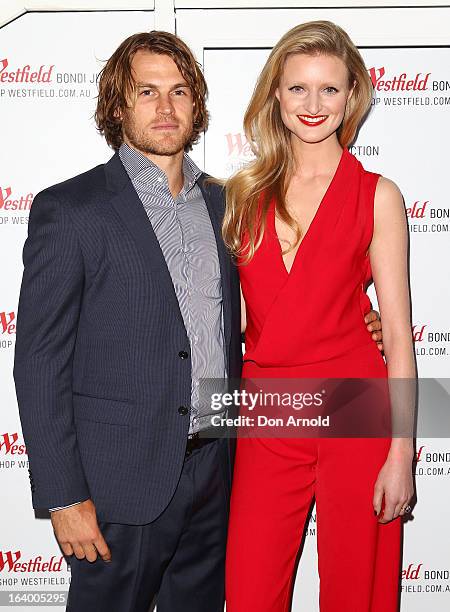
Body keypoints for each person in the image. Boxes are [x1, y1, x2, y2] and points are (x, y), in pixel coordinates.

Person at [13, 29, 383, 612]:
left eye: (180, 92)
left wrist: (358, 316)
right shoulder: (71, 209)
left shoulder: (229, 202)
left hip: (218, 475)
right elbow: (38, 362)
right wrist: (63, 496)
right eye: (147, 92)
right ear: (117, 105)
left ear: (197, 106)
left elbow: (275, 301)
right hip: (120, 488)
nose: (166, 108)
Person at [224, 21, 415, 612]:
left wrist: (403, 453)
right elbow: (225, 325)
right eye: (298, 88)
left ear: (352, 96)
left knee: (359, 591)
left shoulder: (377, 195)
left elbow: (401, 335)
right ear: (274, 95)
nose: (313, 105)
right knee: (250, 591)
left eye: (329, 90)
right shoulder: (241, 195)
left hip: (356, 408)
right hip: (266, 412)